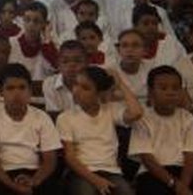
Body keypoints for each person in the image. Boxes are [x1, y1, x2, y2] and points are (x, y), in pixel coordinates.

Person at [56, 66, 143, 195]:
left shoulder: (110, 110)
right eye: (76, 84)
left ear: (99, 93)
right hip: (81, 173)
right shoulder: (65, 117)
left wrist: (120, 84)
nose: (77, 90)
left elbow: (136, 113)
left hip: (111, 172)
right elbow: (70, 157)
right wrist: (96, 180)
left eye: (85, 88)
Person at [0, 63, 62, 195]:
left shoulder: (41, 117)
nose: (16, 93)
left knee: (52, 188)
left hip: (34, 171)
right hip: (2, 173)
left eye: (22, 88)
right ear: (0, 92)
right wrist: (13, 185)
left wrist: (34, 181)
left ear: (30, 91)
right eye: (10, 88)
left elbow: (50, 158)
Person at [127, 66, 193, 195]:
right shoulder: (143, 119)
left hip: (183, 172)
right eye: (163, 88)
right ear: (151, 92)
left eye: (175, 88)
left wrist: (183, 186)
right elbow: (147, 158)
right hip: (153, 173)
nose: (170, 92)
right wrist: (173, 184)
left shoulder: (188, 118)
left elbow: (191, 155)